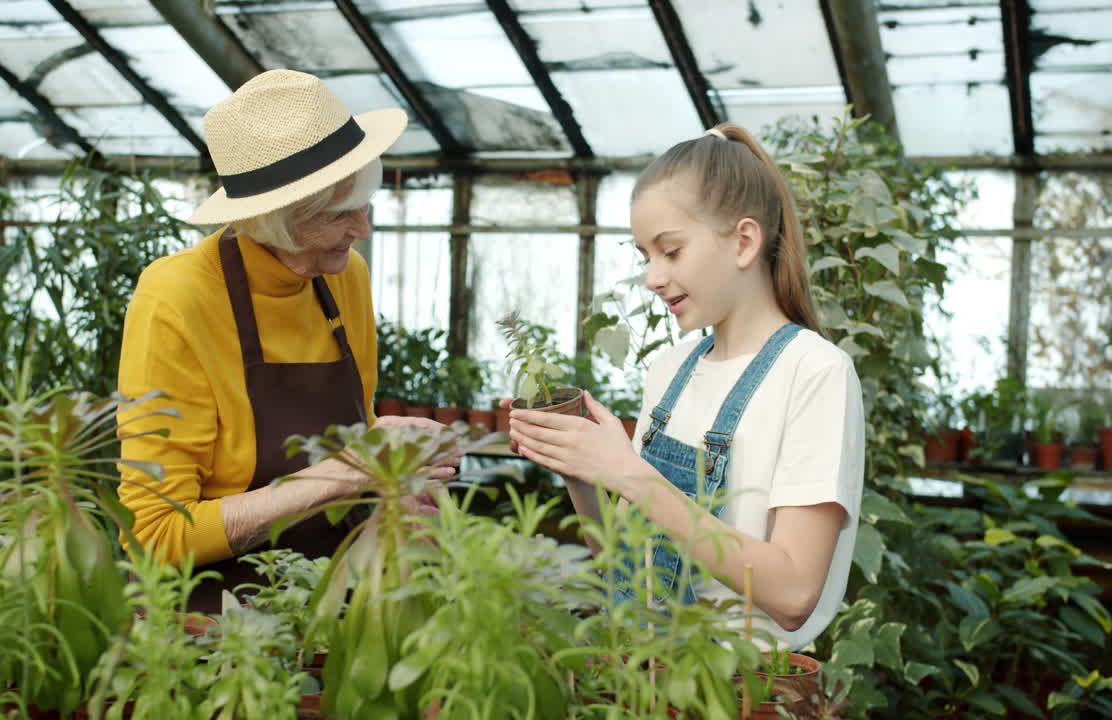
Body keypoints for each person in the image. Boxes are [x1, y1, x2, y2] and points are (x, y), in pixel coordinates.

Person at [508, 123, 864, 650]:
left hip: (744, 691)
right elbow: (628, 572)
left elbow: (793, 593)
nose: (652, 277)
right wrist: (581, 472)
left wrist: (628, 473)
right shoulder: (670, 371)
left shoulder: (813, 373)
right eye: (644, 256)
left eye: (670, 252)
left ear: (744, 241)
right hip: (647, 677)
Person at [116, 70, 450, 613]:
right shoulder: (177, 297)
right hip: (214, 630)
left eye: (364, 202)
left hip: (341, 606)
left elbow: (352, 443)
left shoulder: (346, 276)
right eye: (341, 213)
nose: (362, 228)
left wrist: (390, 490)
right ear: (276, 220)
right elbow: (156, 537)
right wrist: (340, 475)